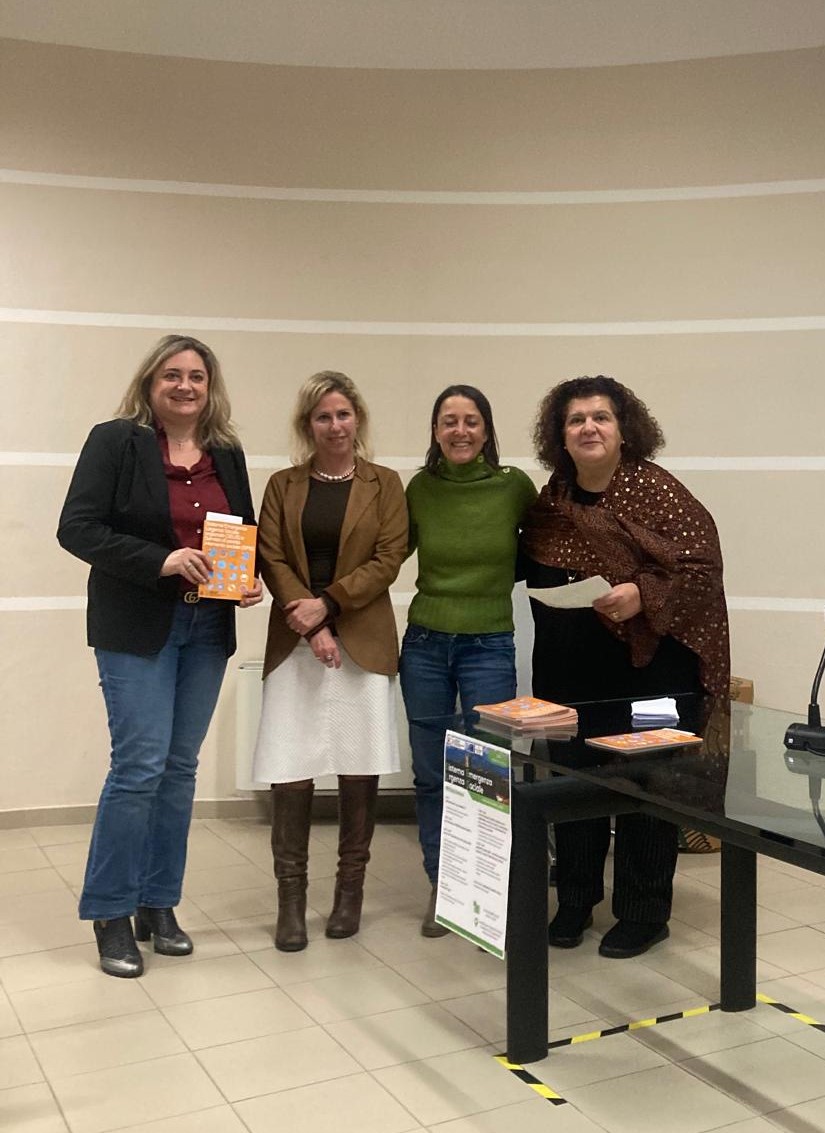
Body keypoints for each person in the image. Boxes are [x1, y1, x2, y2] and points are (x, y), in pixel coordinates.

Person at [57, 334, 263, 978]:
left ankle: (158, 903)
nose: (184, 386)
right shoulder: (115, 441)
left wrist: (246, 578)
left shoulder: (227, 453)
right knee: (139, 766)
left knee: (178, 769)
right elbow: (77, 528)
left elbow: (241, 531)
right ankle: (111, 913)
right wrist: (161, 560)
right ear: (150, 383)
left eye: (196, 376)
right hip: (137, 625)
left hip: (208, 625)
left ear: (210, 387)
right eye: (171, 375)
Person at [520, 375, 729, 959]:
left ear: (623, 428)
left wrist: (643, 593)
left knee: (647, 787)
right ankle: (575, 901)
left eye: (601, 417)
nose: (588, 427)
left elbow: (702, 568)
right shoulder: (551, 502)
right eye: (576, 419)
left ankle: (644, 912)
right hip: (569, 671)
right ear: (559, 435)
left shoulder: (657, 491)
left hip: (652, 673)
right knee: (570, 782)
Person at [252, 371, 407, 951]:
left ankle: (348, 895)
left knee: (358, 765)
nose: (335, 425)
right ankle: (290, 902)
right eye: (323, 416)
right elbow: (271, 556)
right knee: (290, 767)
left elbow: (389, 558)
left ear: (357, 419)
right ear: (308, 425)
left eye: (343, 414)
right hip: (294, 639)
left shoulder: (385, 483)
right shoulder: (283, 485)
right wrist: (311, 620)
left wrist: (330, 607)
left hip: (361, 641)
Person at [400, 385, 538, 936]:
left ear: (486, 430)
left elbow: (547, 548)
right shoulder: (420, 488)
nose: (460, 431)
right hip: (425, 645)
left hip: (489, 645)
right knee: (431, 774)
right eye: (449, 421)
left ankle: (486, 892)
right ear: (435, 431)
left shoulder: (513, 487)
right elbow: (386, 552)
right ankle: (445, 886)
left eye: (471, 421)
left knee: (485, 772)